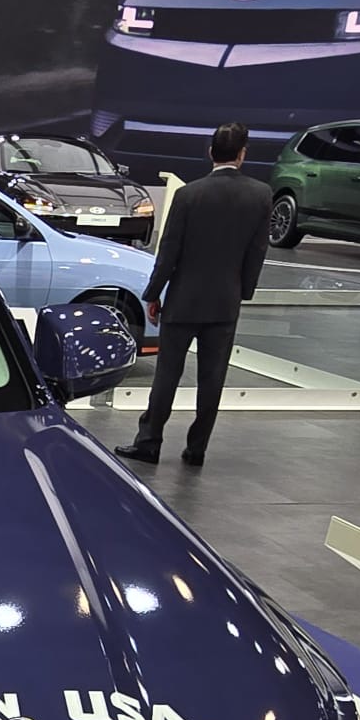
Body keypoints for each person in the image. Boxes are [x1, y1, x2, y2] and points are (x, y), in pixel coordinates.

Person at [115, 122, 272, 468]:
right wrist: (242, 291)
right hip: (225, 302)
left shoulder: (189, 194)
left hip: (183, 300)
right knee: (212, 378)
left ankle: (149, 442)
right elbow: (257, 251)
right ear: (242, 154)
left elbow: (169, 251)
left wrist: (153, 294)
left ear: (211, 152)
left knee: (167, 375)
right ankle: (197, 448)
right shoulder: (261, 195)